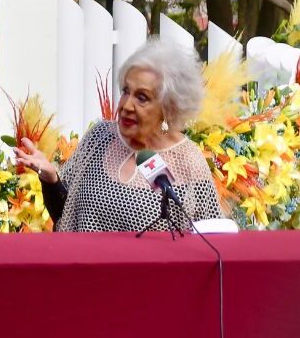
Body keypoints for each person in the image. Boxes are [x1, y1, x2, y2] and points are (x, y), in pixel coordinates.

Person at [16, 39, 223, 232]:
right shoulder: (98, 138)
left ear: (169, 107)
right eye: (125, 91)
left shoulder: (188, 162)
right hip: (83, 269)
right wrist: (50, 178)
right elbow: (65, 215)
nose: (126, 105)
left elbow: (210, 241)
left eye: (141, 97)